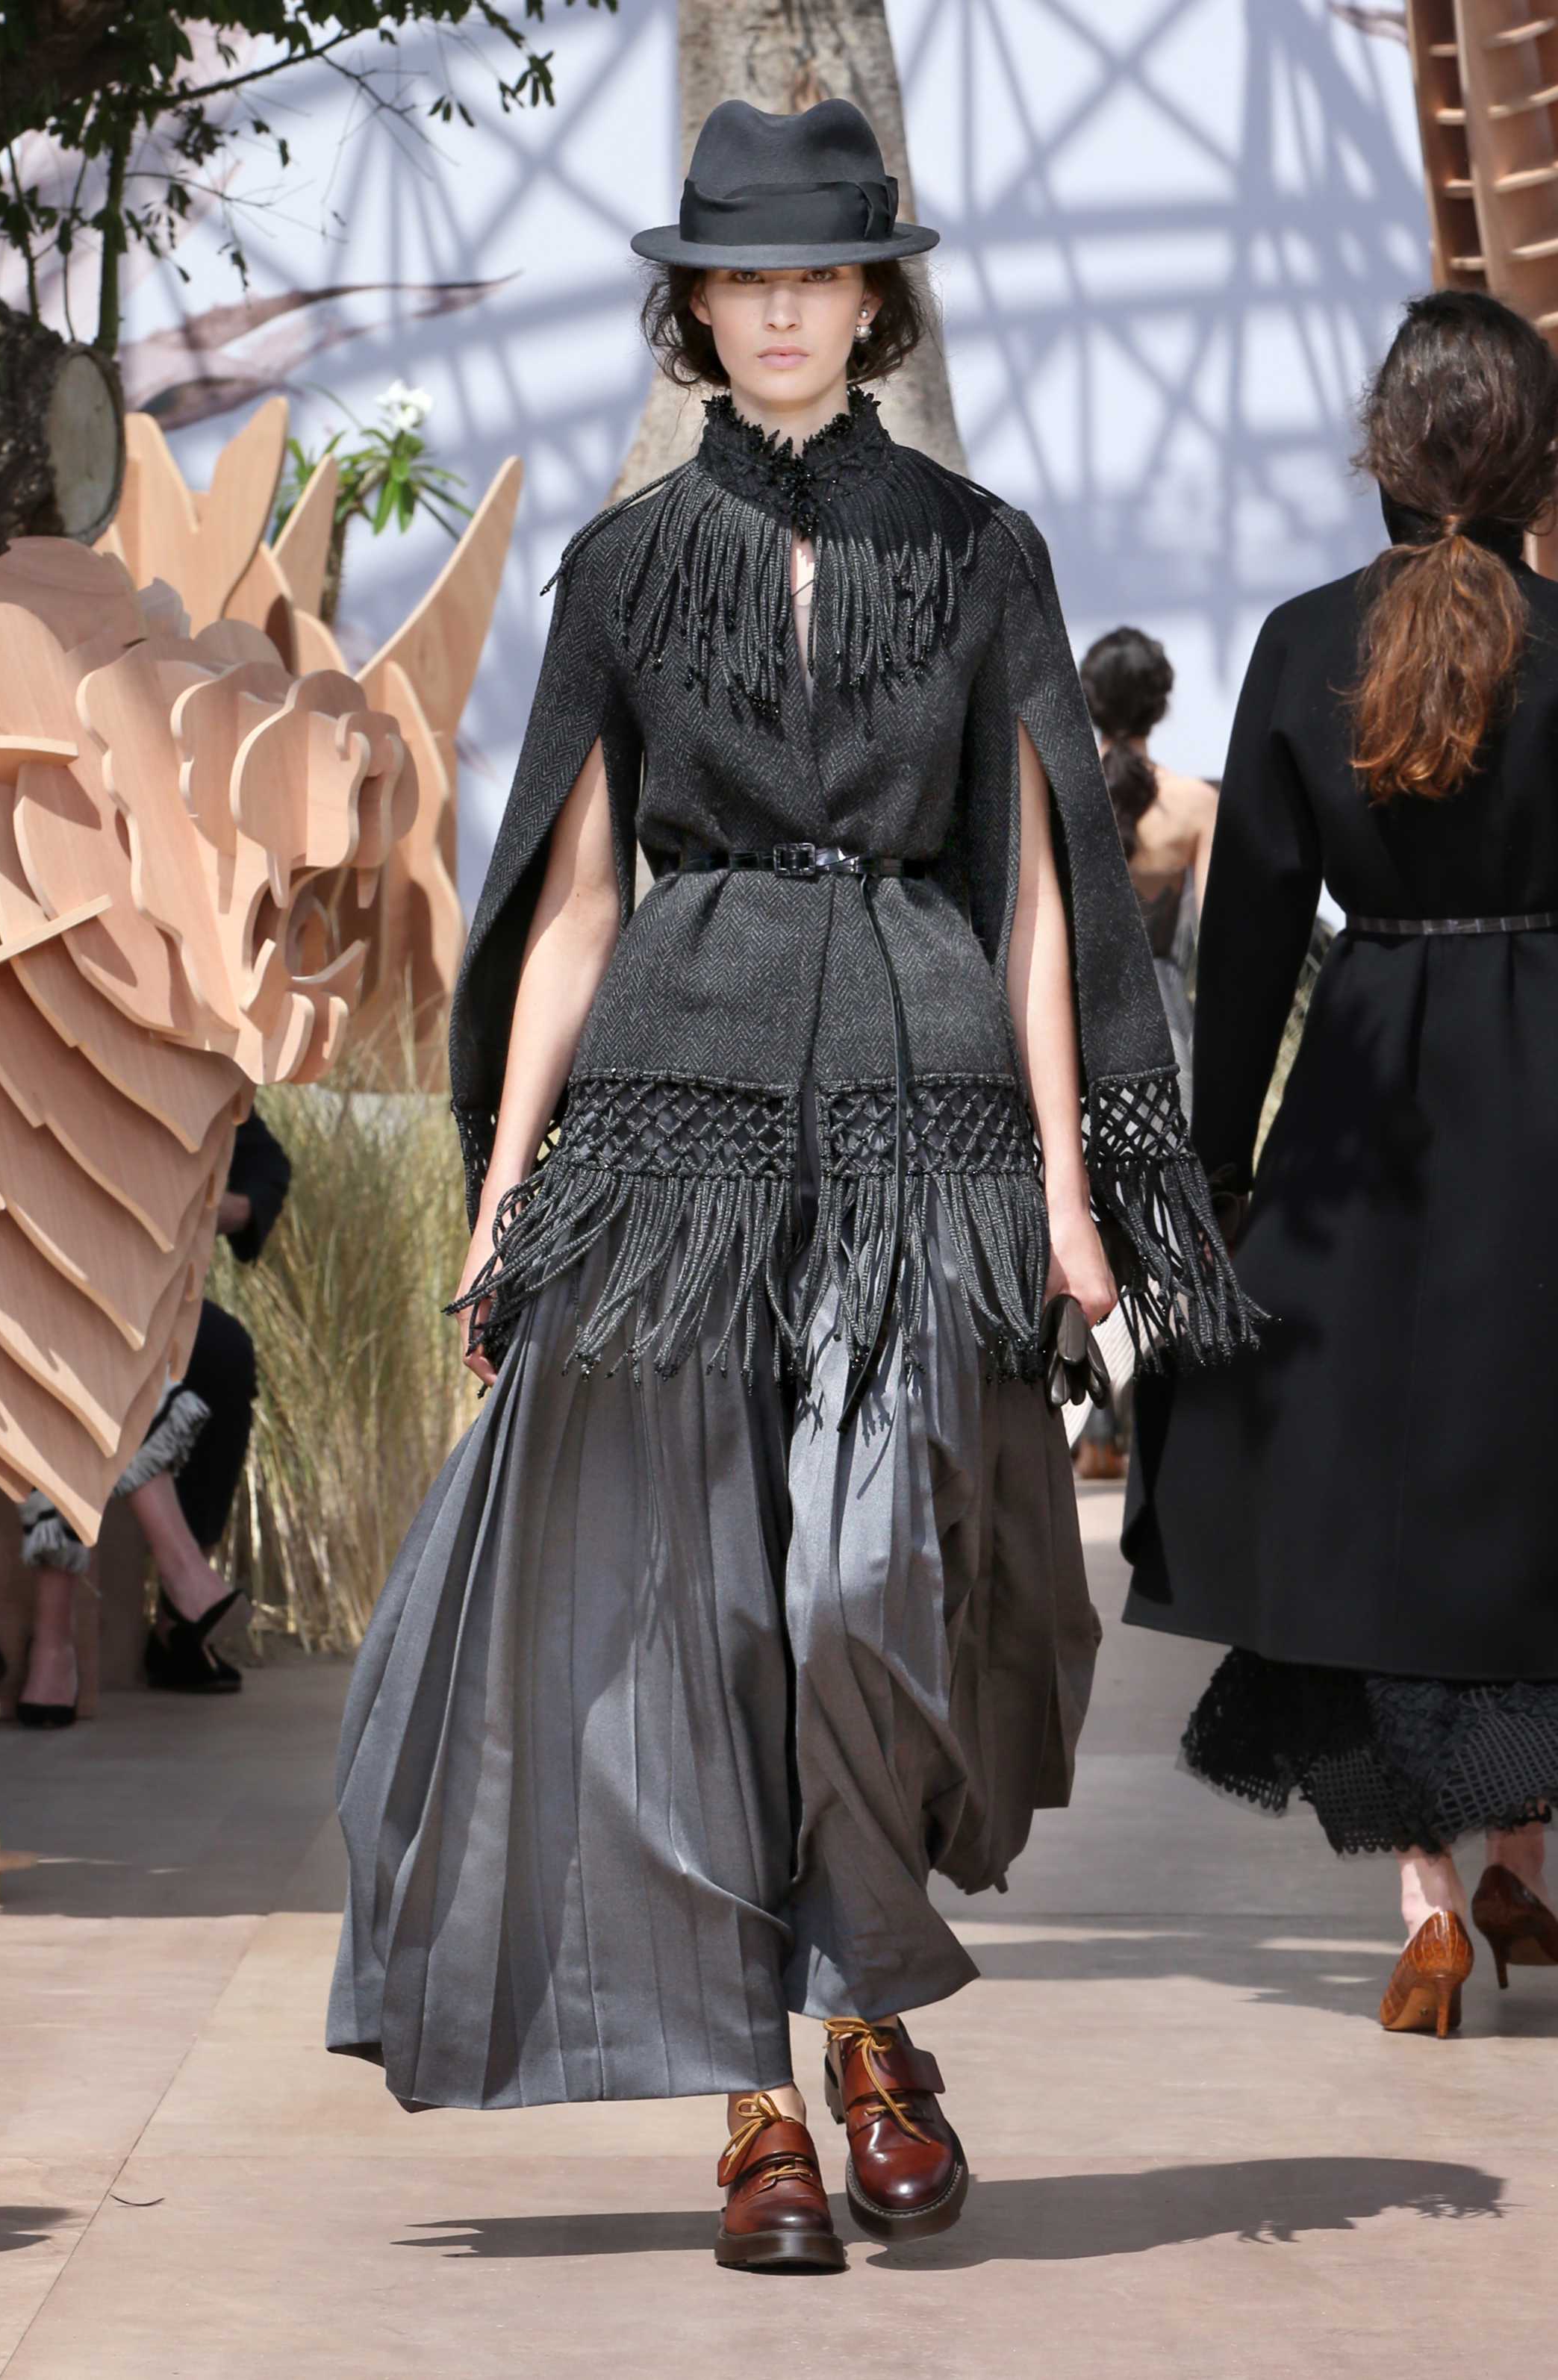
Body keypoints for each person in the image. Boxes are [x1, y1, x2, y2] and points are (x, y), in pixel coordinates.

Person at [328, 97, 1247, 2273]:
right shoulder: (628, 566)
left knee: (867, 1583)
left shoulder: (980, 550)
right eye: (742, 277)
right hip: (673, 1132)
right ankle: (775, 2090)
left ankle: (862, 2012)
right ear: (695, 305)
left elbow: (1033, 889)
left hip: (927, 1121)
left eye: (814, 273)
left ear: (869, 298)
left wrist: (1071, 1191)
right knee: (695, 1617)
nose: (776, 310)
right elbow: (572, 898)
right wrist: (503, 1187)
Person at [1123, 290, 1558, 2036]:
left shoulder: (1305, 644)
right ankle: (1524, 1854)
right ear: (1535, 465)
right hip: (1541, 1098)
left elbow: (1242, 944)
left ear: (1381, 455)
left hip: (1362, 1110)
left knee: (1369, 1496)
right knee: (1519, 1469)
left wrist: (1215, 1170)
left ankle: (1429, 1905)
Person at [13, 1108, 290, 1719]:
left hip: (116, 1290)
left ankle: (145, 1619)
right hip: (16, 1280)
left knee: (219, 1350)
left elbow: (262, 1159)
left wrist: (208, 1209)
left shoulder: (163, 1058)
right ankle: (176, 1576)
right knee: (82, 1324)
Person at [1079, 626, 1217, 1117]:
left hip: (1073, 1006)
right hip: (1163, 1011)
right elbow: (1218, 936)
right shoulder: (1196, 803)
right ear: (1158, 705)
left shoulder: (1058, 796)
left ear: (1088, 701)